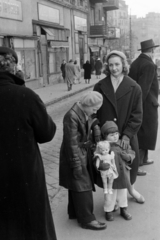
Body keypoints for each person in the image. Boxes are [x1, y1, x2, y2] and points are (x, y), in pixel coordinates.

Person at [0, 47, 57, 240]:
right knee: (31, 225)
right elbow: (47, 133)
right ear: (14, 67)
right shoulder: (26, 96)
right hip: (24, 176)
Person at [93, 50, 144, 204]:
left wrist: (127, 135)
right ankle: (113, 198)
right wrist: (96, 127)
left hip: (125, 135)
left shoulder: (134, 87)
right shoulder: (100, 86)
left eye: (117, 64)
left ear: (123, 65)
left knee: (129, 165)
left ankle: (131, 189)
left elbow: (137, 115)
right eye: (111, 65)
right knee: (109, 166)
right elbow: (93, 111)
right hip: (107, 137)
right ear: (107, 66)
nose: (114, 68)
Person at [59, 91, 107, 230]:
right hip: (74, 153)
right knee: (83, 184)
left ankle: (74, 212)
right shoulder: (72, 116)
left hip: (81, 152)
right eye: (94, 109)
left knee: (77, 183)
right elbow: (71, 143)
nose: (95, 111)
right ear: (86, 105)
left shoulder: (83, 111)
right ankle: (87, 219)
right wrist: (76, 164)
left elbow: (91, 122)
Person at [97, 121, 139, 221]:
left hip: (122, 174)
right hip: (109, 175)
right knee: (109, 195)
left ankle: (123, 209)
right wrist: (101, 165)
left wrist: (128, 157)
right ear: (105, 136)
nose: (115, 137)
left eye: (116, 134)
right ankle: (108, 211)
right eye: (111, 135)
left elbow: (132, 153)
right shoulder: (103, 146)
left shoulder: (123, 143)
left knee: (122, 193)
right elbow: (96, 157)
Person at [129, 39, 159, 176]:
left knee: (145, 131)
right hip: (146, 104)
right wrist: (138, 106)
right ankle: (138, 163)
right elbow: (144, 87)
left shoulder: (136, 63)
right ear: (152, 51)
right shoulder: (149, 65)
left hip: (143, 103)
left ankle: (144, 158)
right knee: (145, 132)